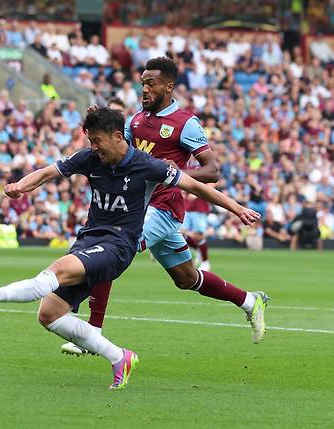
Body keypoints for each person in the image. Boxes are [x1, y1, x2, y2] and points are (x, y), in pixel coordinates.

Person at [0, 108, 261, 389]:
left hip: (118, 246)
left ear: (117, 137)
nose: (94, 147)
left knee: (56, 271)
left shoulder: (147, 165)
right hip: (88, 240)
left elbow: (198, 187)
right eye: (90, 141)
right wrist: (20, 185)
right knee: (49, 315)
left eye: (97, 141)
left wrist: (236, 209)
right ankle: (119, 357)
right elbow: (47, 173)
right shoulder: (90, 158)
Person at [61, 58, 270, 356]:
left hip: (163, 207)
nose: (144, 89)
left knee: (112, 249)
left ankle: (92, 333)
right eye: (143, 83)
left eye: (151, 83)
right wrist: (102, 127)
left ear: (168, 87)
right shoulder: (135, 121)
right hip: (139, 205)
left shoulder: (185, 123)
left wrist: (178, 173)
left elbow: (212, 171)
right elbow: (121, 152)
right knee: (186, 278)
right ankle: (250, 301)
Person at [184, 194, 211, 270]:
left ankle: (205, 262)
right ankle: (198, 249)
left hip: (199, 207)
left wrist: (197, 192)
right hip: (186, 205)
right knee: (180, 232)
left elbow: (212, 184)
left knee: (198, 236)